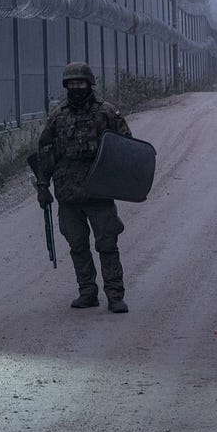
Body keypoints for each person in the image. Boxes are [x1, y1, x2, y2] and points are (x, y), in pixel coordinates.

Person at [34, 61, 134, 313]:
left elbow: (126, 147)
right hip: (68, 193)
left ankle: (114, 294)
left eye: (80, 82)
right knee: (77, 245)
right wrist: (42, 186)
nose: (76, 87)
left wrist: (118, 180)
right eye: (72, 83)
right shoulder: (58, 116)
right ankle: (87, 292)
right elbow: (45, 152)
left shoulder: (107, 113)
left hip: (98, 191)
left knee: (107, 244)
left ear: (90, 84)